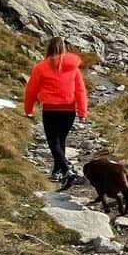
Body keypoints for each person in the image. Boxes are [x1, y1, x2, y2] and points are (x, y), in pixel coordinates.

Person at [24, 35, 88, 188]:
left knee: (53, 142)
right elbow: (80, 90)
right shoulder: (74, 68)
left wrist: (29, 109)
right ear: (64, 49)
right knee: (61, 140)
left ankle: (67, 170)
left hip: (51, 110)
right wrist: (82, 112)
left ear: (49, 48)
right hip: (69, 111)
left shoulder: (40, 67)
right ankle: (57, 171)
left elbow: (31, 90)